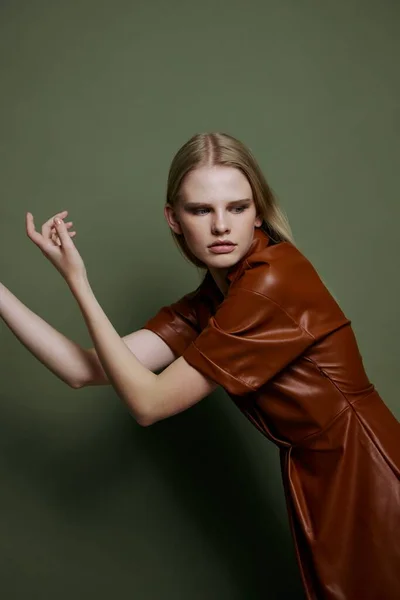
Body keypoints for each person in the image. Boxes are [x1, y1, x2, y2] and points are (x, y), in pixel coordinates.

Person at [1, 132, 399, 599]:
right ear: (174, 219)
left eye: (237, 207)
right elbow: (84, 370)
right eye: (201, 210)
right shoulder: (215, 300)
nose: (221, 226)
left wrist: (79, 283)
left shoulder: (269, 284)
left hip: (368, 477)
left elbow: (148, 404)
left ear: (259, 212)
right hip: (326, 479)